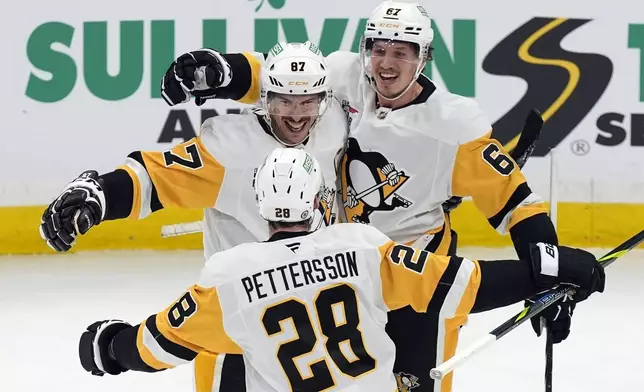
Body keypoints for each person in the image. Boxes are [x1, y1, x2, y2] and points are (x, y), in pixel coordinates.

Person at [159, 1, 564, 390]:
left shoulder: (455, 126)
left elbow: (519, 206)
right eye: (378, 49)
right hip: (350, 271)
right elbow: (281, 78)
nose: (386, 63)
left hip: (416, 277)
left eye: (401, 52)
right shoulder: (342, 75)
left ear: (424, 57)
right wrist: (223, 72)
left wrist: (551, 281)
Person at [78, 148, 605, 392]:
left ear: (260, 205)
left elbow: (156, 346)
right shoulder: (362, 248)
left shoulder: (227, 277)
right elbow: (467, 284)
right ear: (320, 200)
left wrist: (108, 346)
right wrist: (558, 268)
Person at [39, 42, 347, 390]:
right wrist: (100, 195)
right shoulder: (231, 150)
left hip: (321, 331)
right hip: (238, 334)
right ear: (264, 100)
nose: (296, 114)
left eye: (307, 101)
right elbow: (157, 179)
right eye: (284, 102)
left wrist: (227, 71)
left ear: (324, 100)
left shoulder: (335, 126)